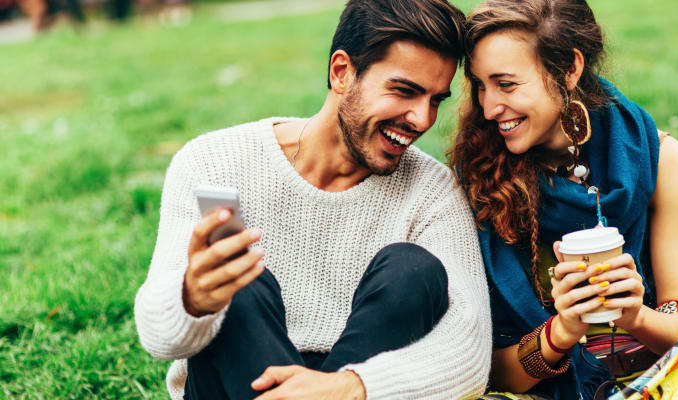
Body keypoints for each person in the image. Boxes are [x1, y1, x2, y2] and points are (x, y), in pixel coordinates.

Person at [133, 1, 492, 399]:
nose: (423, 120)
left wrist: (351, 387)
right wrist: (193, 298)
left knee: (412, 270)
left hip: (360, 384)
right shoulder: (212, 162)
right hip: (231, 382)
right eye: (404, 90)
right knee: (239, 279)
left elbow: (471, 352)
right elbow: (157, 339)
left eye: (435, 100)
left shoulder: (433, 193)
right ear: (342, 72)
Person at [449, 0, 678, 399]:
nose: (489, 107)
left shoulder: (658, 158)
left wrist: (635, 315)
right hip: (550, 390)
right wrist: (561, 332)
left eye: (506, 84)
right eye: (479, 85)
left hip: (662, 378)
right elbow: (487, 373)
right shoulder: (476, 178)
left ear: (569, 69)